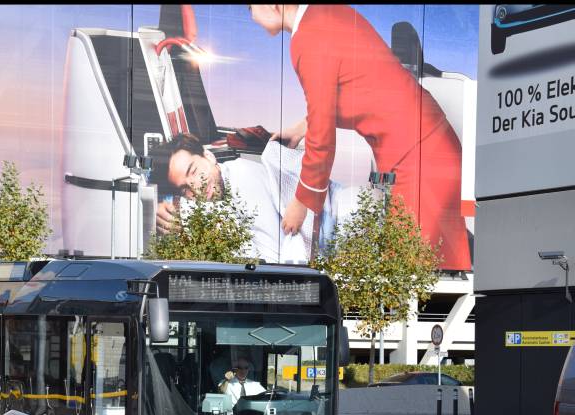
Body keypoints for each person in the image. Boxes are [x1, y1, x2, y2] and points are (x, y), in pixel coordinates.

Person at [248, 4, 471, 271]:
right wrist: (301, 127)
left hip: (417, 155)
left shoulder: (307, 38)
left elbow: (322, 138)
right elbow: (361, 84)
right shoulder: (328, 13)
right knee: (439, 270)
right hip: (427, 145)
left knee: (410, 274)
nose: (251, 16)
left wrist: (301, 202)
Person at [148, 133, 357, 263]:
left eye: (193, 171)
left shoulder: (241, 177)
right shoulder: (222, 195)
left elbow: (271, 262)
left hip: (347, 217)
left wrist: (184, 215)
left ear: (208, 156)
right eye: (184, 189)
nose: (196, 186)